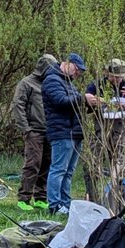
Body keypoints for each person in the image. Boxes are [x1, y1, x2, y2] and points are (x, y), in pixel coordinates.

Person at [83, 60, 125, 210]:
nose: (118, 79)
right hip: (100, 128)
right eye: (115, 76)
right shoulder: (97, 85)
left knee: (119, 162)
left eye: (120, 76)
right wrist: (109, 102)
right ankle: (92, 196)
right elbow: (88, 98)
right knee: (92, 163)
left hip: (120, 130)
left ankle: (114, 197)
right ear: (107, 73)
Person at [41, 52, 86, 217]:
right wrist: (83, 99)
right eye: (77, 69)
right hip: (62, 132)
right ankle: (54, 205)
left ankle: (65, 204)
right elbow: (60, 102)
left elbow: (76, 105)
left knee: (69, 172)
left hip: (74, 132)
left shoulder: (68, 83)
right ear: (67, 64)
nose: (78, 73)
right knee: (59, 169)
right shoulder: (52, 80)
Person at [10, 54, 55, 210]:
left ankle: (40, 197)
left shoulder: (51, 84)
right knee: (33, 164)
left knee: (46, 164)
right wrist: (26, 129)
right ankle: (24, 198)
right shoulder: (26, 83)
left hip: (50, 130)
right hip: (34, 130)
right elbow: (18, 105)